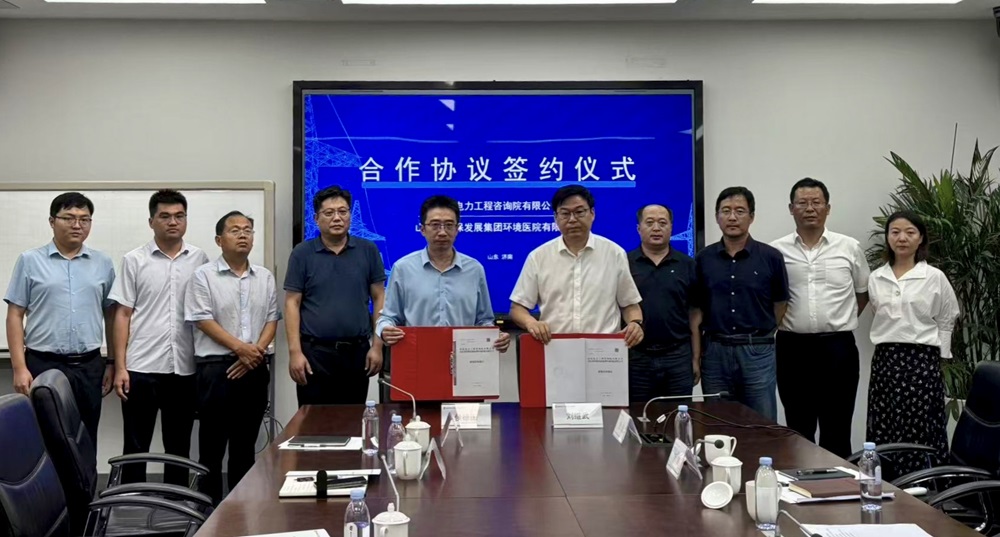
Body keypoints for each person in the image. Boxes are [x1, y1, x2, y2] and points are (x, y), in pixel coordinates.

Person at [111, 189, 209, 485]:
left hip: (184, 368)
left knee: (179, 444)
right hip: (141, 367)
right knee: (135, 443)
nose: (173, 222)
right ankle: (131, 498)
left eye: (179, 216)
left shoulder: (200, 259)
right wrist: (120, 367)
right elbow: (123, 314)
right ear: (151, 221)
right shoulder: (134, 260)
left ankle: (176, 499)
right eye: (165, 216)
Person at [4, 192, 115, 444]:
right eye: (69, 218)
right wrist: (19, 368)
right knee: (45, 437)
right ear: (52, 221)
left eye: (84, 219)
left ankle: (86, 474)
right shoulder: (30, 260)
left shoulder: (103, 263)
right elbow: (15, 315)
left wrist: (111, 362)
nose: (77, 225)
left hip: (89, 366)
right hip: (43, 364)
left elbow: (111, 316)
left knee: (86, 437)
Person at [184, 210, 280, 505]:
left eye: (248, 230)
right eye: (235, 230)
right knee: (212, 448)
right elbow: (202, 319)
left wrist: (255, 352)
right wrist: (241, 349)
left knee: (245, 446)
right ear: (219, 240)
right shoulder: (203, 276)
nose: (243, 235)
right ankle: (208, 510)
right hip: (217, 370)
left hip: (255, 367)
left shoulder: (264, 276)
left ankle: (241, 511)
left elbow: (272, 319)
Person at [770, 178, 870, 458]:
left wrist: (838, 320)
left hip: (838, 348)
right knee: (798, 427)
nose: (810, 208)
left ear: (828, 208)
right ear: (791, 209)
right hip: (792, 348)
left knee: (837, 426)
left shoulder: (849, 247)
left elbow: (862, 293)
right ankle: (799, 481)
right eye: (802, 203)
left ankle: (838, 484)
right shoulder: (776, 251)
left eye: (816, 202)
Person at [867, 211, 958, 474]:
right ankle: (887, 481)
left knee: (920, 424)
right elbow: (878, 314)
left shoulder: (934, 276)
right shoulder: (876, 277)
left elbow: (948, 316)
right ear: (887, 238)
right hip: (885, 359)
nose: (902, 238)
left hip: (921, 360)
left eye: (910, 232)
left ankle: (923, 483)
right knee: (885, 421)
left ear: (921, 239)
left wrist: (941, 355)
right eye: (895, 232)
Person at [692, 187, 788, 421]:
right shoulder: (703, 259)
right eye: (726, 211)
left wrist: (760, 334)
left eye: (740, 211)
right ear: (717, 217)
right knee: (717, 423)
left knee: (761, 423)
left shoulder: (771, 257)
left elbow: (780, 303)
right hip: (715, 352)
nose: (732, 217)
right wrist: (696, 357)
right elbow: (697, 310)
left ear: (751, 217)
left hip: (757, 351)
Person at [284, 186, 386, 406]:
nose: (337, 218)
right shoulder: (302, 253)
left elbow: (379, 298)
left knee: (352, 419)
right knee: (312, 420)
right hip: (314, 353)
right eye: (329, 213)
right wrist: (295, 352)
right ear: (316, 219)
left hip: (357, 352)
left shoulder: (368, 250)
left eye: (343, 211)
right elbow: (292, 303)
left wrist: (377, 347)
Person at [509, 185, 644, 345]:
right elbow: (517, 308)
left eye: (579, 212)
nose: (572, 219)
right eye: (565, 213)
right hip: (555, 348)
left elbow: (630, 305)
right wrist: (531, 322)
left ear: (592, 213)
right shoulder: (538, 257)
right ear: (556, 218)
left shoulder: (614, 253)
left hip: (603, 350)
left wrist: (635, 323)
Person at [376, 195, 510, 352]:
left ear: (457, 229)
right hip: (417, 355)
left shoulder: (474, 269)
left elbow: (484, 320)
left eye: (449, 225)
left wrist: (496, 337)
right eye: (435, 225)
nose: (442, 232)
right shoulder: (403, 268)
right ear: (422, 229)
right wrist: (385, 330)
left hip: (464, 357)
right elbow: (388, 317)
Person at [627, 204, 699, 401]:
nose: (656, 228)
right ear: (638, 228)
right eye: (649, 223)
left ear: (671, 227)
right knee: (638, 415)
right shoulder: (625, 263)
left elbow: (694, 314)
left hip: (677, 356)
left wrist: (695, 358)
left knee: (678, 415)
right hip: (636, 357)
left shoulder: (688, 265)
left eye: (662, 223)